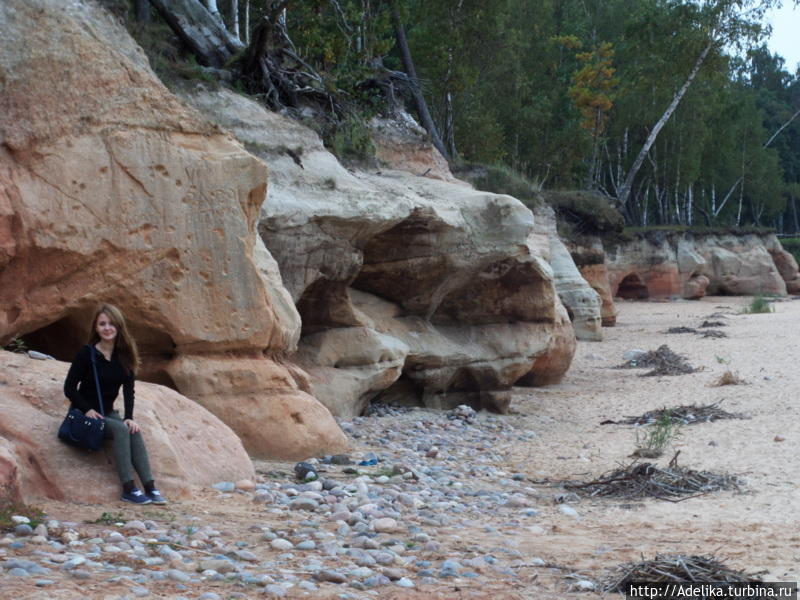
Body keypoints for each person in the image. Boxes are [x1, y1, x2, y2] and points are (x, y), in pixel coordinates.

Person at [63, 304, 167, 505]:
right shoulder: (87, 354)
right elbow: (69, 388)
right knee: (120, 430)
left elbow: (129, 390)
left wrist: (129, 416)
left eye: (111, 324)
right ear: (95, 327)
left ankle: (150, 487)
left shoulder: (124, 356)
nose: (107, 328)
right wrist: (87, 410)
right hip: (84, 413)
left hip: (108, 412)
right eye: (102, 324)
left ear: (119, 327)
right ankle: (128, 488)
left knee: (132, 429)